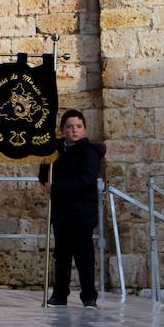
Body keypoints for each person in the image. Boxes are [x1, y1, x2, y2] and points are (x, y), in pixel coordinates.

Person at [39, 109, 102, 309]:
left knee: (84, 257)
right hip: (61, 212)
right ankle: (59, 295)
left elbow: (86, 180)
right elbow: (44, 174)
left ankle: (89, 296)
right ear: (62, 130)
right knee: (62, 256)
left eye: (78, 126)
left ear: (84, 129)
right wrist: (46, 180)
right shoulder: (54, 151)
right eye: (69, 126)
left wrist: (57, 188)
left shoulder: (90, 152)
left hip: (82, 213)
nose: (74, 130)